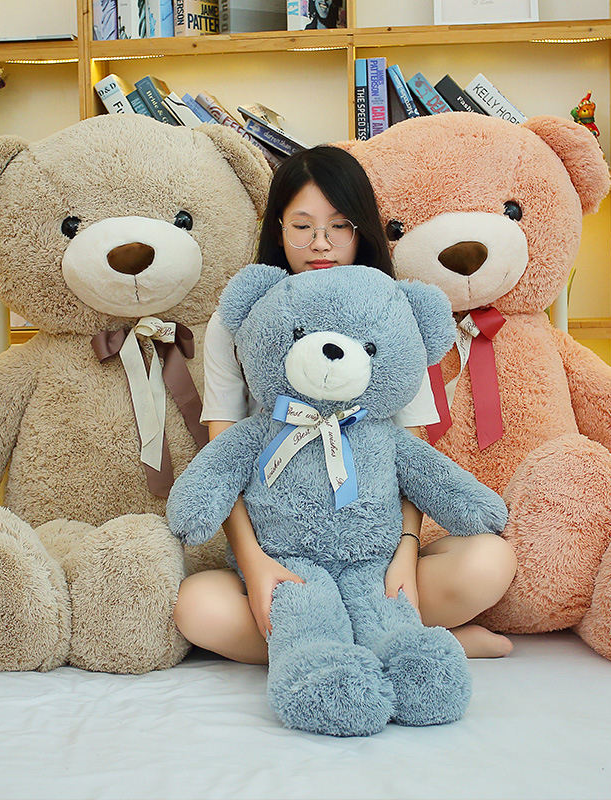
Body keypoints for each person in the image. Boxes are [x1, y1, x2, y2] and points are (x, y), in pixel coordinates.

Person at [173, 146, 517, 663]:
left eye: (339, 226)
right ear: (278, 230)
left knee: (490, 560)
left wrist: (404, 555)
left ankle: (331, 640)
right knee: (198, 606)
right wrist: (255, 562)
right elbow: (223, 452)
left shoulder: (391, 310)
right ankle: (399, 641)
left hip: (373, 554)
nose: (321, 243)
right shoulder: (240, 318)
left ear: (362, 231)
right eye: (302, 226)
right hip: (283, 555)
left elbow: (411, 454)